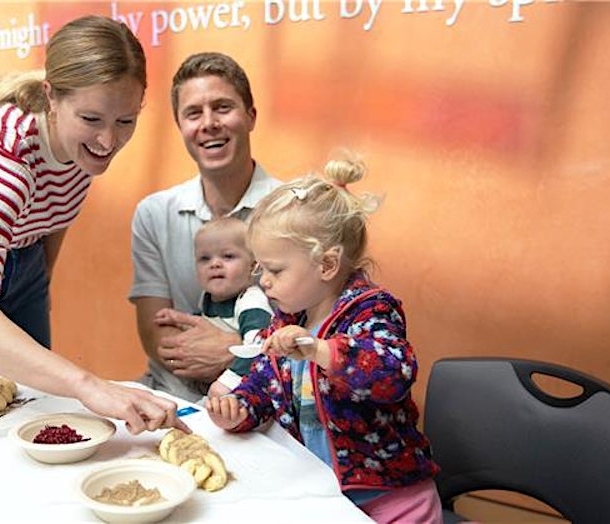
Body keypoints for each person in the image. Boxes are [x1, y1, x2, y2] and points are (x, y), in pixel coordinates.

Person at [0, 15, 186, 435]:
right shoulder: (2, 158)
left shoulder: (83, 145)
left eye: (125, 121)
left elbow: (54, 215)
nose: (108, 141)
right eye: (91, 120)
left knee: (29, 406)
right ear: (51, 97)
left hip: (24, 254)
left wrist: (37, 282)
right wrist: (89, 385)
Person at [204, 156, 441, 523]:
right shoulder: (288, 318)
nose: (263, 280)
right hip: (324, 497)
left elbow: (394, 372)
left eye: (275, 269)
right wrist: (240, 409)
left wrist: (320, 350)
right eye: (260, 267)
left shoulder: (371, 310)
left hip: (392, 501)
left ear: (327, 265)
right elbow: (265, 383)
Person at [129, 52, 281, 402]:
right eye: (193, 113)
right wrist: (252, 349)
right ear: (180, 126)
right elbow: (157, 338)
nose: (209, 123)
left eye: (223, 107)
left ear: (251, 116)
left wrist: (235, 353)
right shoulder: (153, 214)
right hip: (171, 395)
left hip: (265, 400)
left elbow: (316, 338)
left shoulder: (296, 210)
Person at [153, 217, 272, 398]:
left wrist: (227, 382)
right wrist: (178, 321)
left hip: (249, 389)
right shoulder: (207, 298)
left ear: (253, 266)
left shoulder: (251, 302)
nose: (215, 264)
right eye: (204, 258)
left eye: (228, 256)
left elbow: (258, 348)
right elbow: (206, 323)